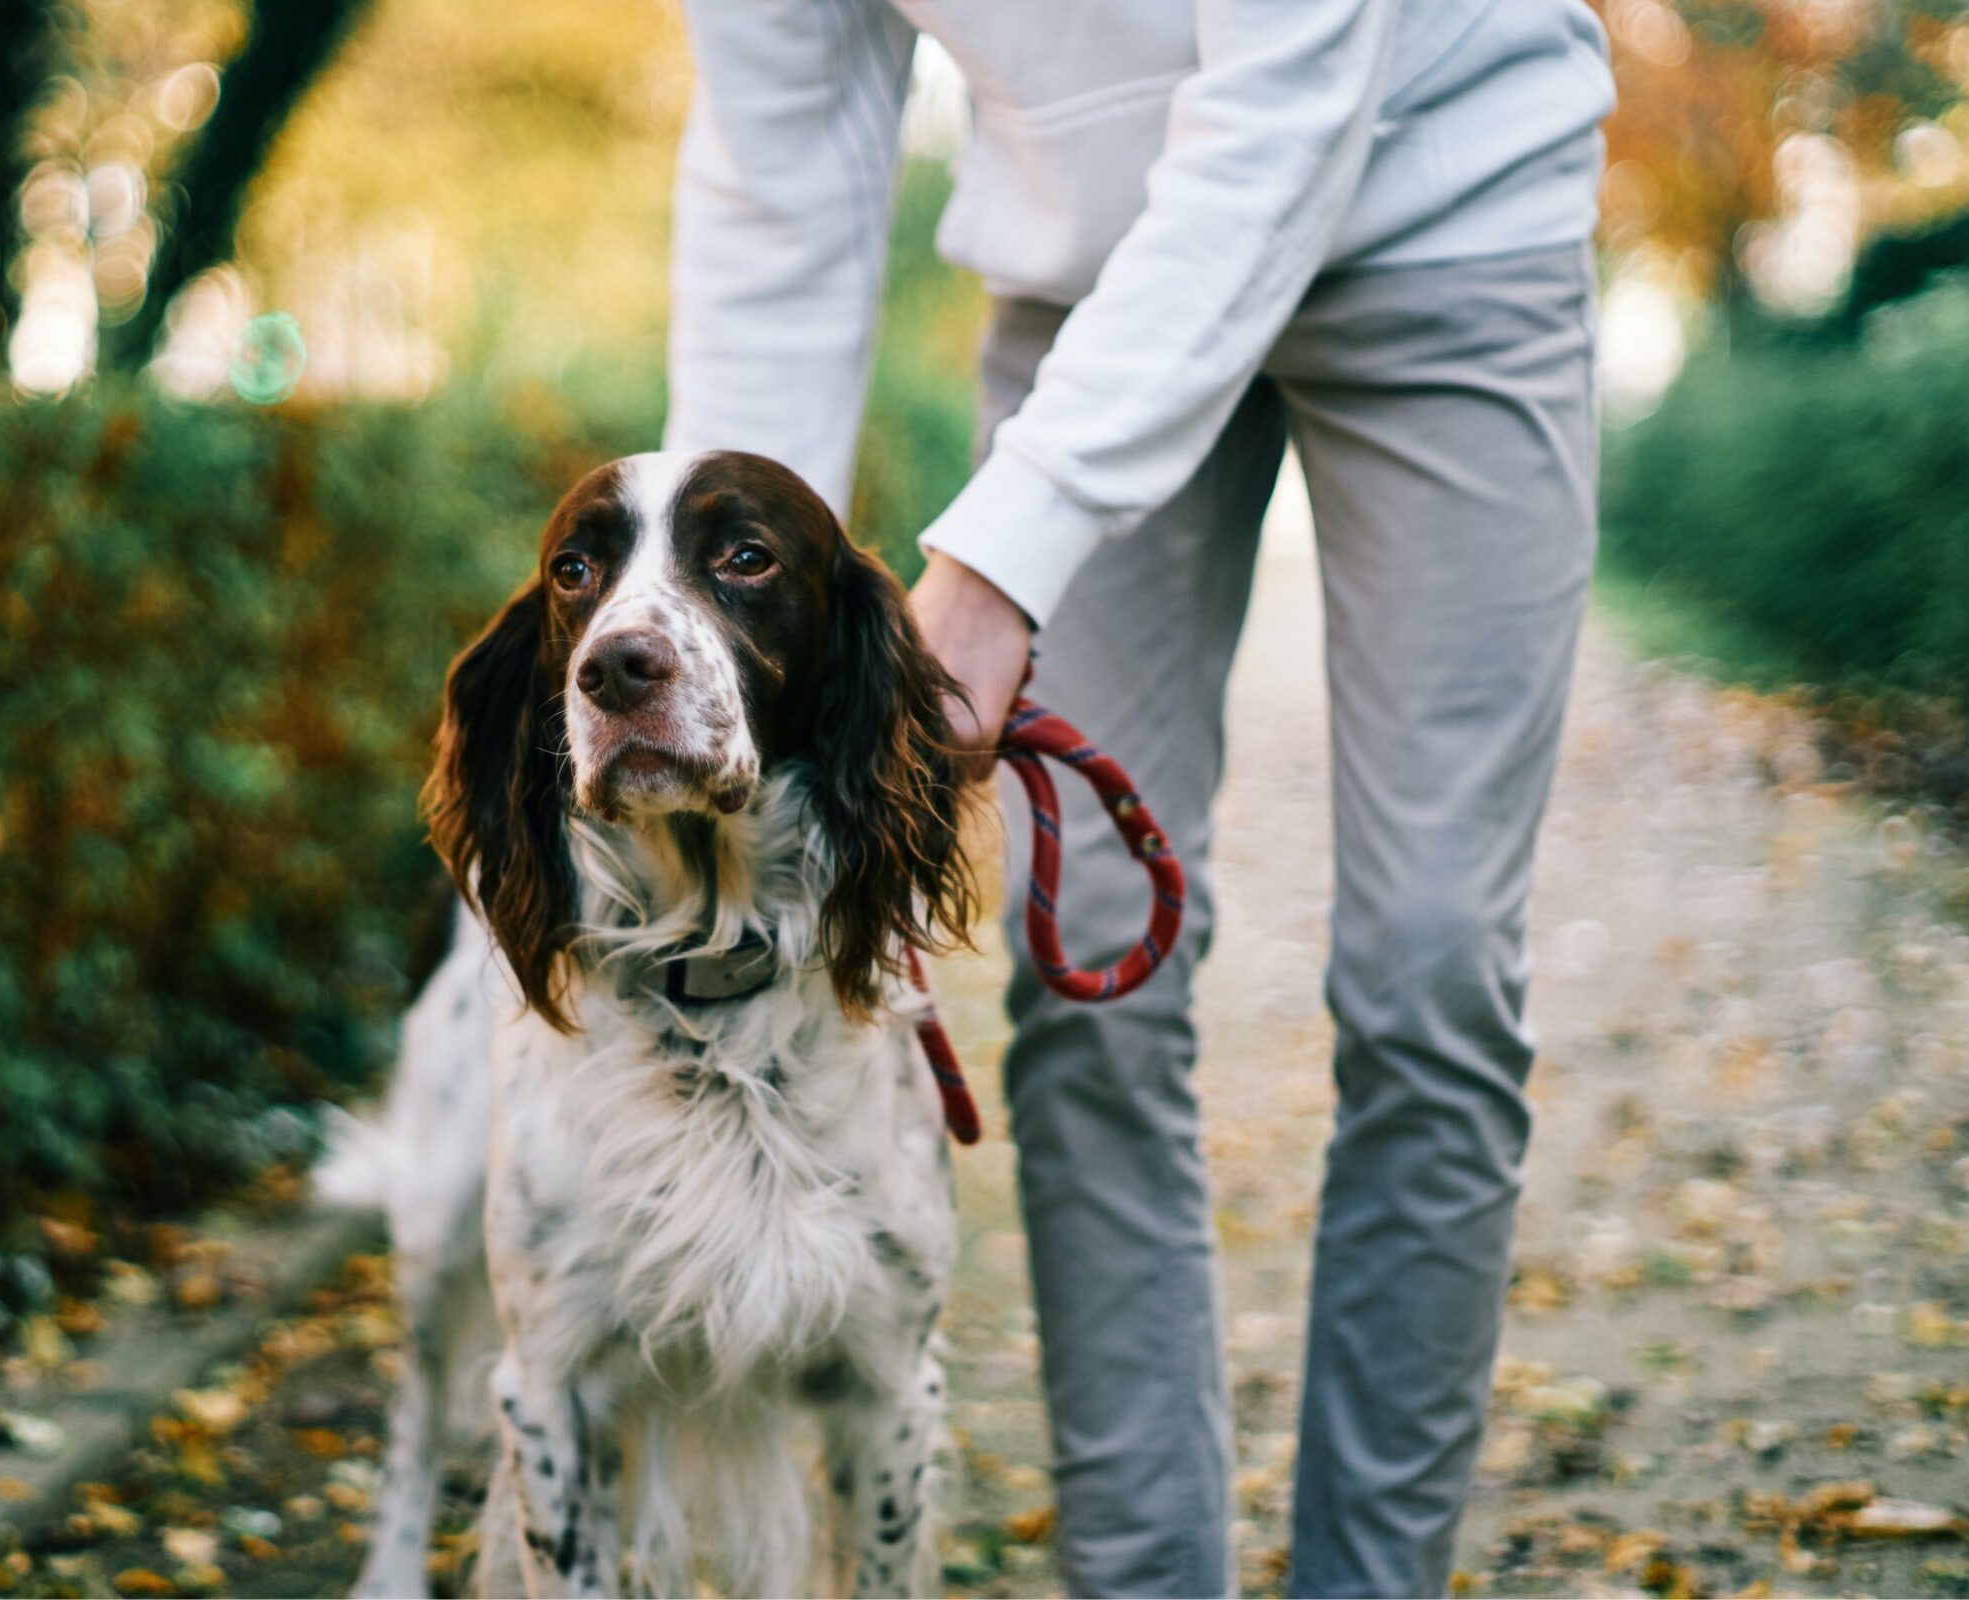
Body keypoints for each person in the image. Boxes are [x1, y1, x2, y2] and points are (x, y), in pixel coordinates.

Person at [658, 1, 1614, 1594]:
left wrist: (1000, 559)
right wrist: (713, 627)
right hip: (1079, 280)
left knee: (1432, 972)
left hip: (1449, 219)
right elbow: (784, 182)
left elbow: (1291, 111)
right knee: (1089, 962)